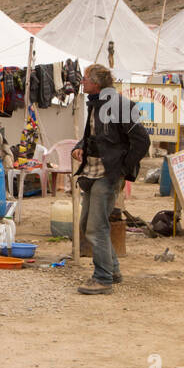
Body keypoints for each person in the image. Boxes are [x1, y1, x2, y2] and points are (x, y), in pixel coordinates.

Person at [71, 65, 151, 295]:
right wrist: (80, 147)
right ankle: (112, 270)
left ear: (97, 83)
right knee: (88, 223)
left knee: (96, 226)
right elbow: (95, 137)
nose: (82, 82)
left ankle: (103, 278)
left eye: (85, 78)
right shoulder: (96, 103)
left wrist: (123, 168)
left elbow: (142, 141)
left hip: (109, 173)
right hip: (93, 170)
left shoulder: (120, 105)